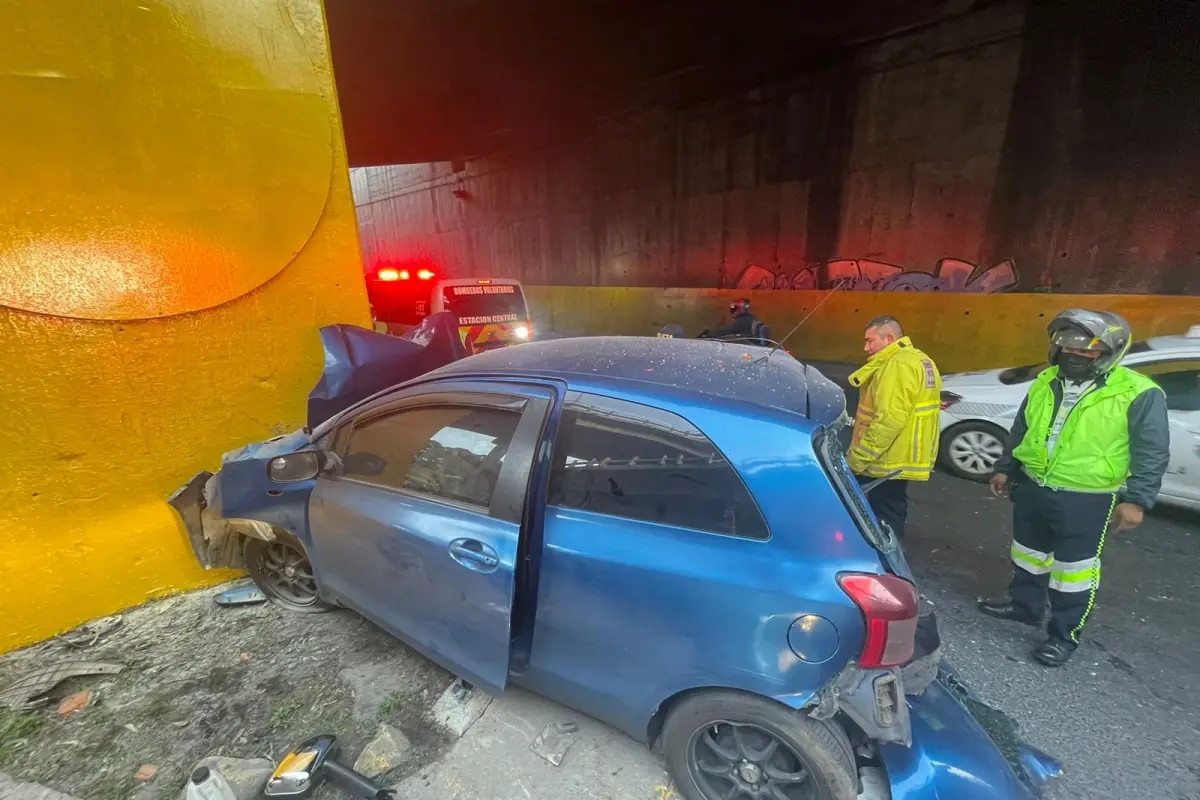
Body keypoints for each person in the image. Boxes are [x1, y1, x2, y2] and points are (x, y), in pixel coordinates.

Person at [979, 309, 1170, 667]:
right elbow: (1023, 428)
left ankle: (1063, 635)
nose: (1076, 357)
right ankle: (1025, 606)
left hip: (1087, 498)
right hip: (1035, 487)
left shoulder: (1139, 392)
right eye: (1068, 350)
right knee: (1028, 554)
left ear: (1109, 354)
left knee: (1074, 572)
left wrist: (1137, 500)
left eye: (1087, 352)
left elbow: (1152, 450)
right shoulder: (1046, 381)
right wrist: (1006, 468)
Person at [846, 316, 941, 539]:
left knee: (876, 511)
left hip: (886, 458)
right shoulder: (919, 359)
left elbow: (888, 419)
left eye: (870, 341)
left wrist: (857, 460)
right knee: (891, 508)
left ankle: (885, 563)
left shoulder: (897, 365)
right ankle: (890, 556)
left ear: (890, 338)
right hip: (902, 456)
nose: (866, 347)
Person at [699, 299, 770, 345]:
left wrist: (708, 335)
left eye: (734, 308)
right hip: (757, 349)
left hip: (748, 349)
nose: (732, 310)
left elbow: (726, 331)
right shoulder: (752, 319)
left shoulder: (742, 321)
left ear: (739, 309)